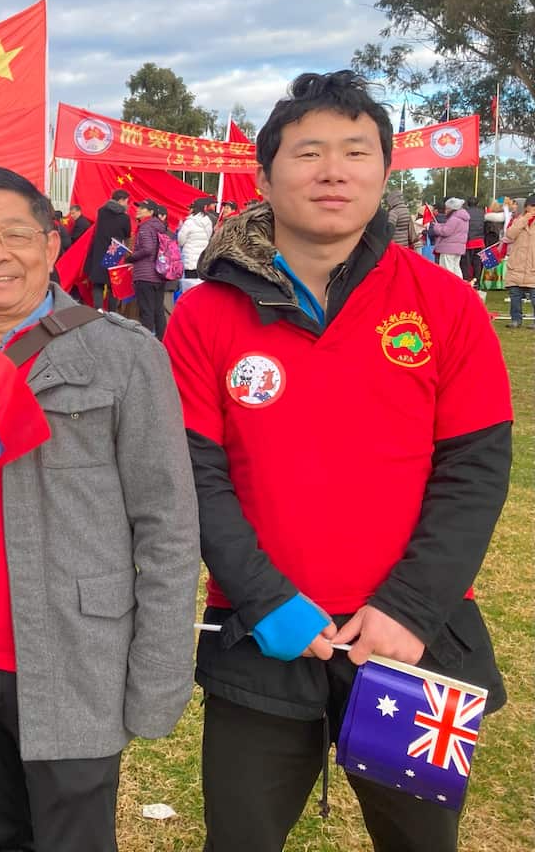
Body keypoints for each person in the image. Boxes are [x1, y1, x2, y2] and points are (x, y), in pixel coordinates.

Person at [165, 70, 512, 852]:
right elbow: (195, 473)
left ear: (386, 172)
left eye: (356, 152)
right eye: (309, 151)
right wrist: (265, 599)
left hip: (412, 644)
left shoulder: (445, 304)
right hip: (262, 639)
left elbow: (476, 471)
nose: (333, 170)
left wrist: (410, 610)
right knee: (240, 838)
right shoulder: (203, 312)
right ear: (264, 175)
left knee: (422, 842)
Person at [0, 165, 200, 852]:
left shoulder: (123, 358)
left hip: (75, 661)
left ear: (53, 243)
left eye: (15, 235)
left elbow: (169, 527)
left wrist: (158, 676)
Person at [127, 199, 170, 338]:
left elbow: (148, 248)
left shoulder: (145, 227)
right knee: (158, 311)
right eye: (138, 207)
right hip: (159, 273)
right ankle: (162, 342)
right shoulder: (160, 227)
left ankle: (147, 343)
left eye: (142, 208)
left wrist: (131, 257)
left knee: (146, 311)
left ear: (151, 212)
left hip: (145, 275)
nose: (138, 210)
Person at [86, 191, 132, 311]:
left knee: (98, 283)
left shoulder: (101, 212)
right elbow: (127, 234)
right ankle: (112, 312)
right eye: (127, 202)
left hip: (99, 250)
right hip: (115, 252)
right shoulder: (124, 217)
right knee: (113, 284)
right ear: (121, 200)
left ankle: (99, 309)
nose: (127, 205)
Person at [503, 195, 535, 328]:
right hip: (517, 263)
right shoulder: (518, 220)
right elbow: (509, 234)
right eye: (530, 207)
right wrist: (523, 220)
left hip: (532, 264)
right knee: (515, 295)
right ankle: (516, 319)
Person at [177, 197, 217, 290]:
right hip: (202, 260)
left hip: (190, 260)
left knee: (189, 287)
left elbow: (180, 240)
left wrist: (180, 229)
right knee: (200, 287)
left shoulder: (189, 222)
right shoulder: (207, 221)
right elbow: (209, 236)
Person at [429, 197, 469, 276]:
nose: (445, 211)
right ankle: (459, 286)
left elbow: (445, 231)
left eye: (447, 208)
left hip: (448, 248)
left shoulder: (454, 218)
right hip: (458, 247)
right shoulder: (463, 218)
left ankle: (449, 287)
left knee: (447, 269)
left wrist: (436, 227)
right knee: (456, 268)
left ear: (452, 209)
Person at [462, 195, 486, 286]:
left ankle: (467, 280)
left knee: (466, 263)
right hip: (479, 241)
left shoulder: (465, 212)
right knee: (478, 263)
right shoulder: (482, 212)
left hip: (468, 241)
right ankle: (477, 281)